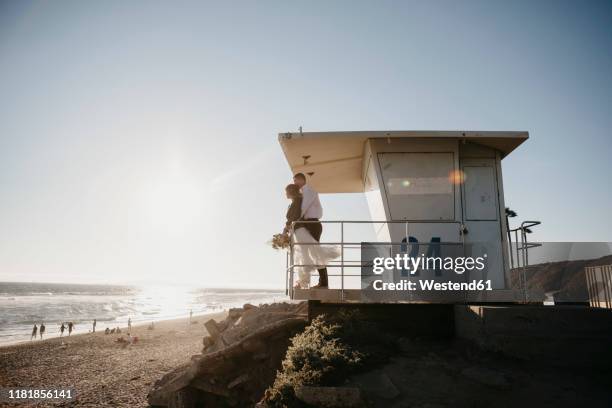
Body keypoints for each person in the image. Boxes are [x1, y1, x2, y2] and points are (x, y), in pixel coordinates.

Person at [284, 183, 339, 289]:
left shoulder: (297, 201)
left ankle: (305, 282)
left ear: (290, 192)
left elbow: (295, 217)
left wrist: (286, 228)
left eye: (286, 191)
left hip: (300, 230)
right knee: (305, 255)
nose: (285, 193)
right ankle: (304, 282)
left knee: (305, 255)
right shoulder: (294, 202)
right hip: (297, 230)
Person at [292, 173, 329, 288]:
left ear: (301, 180)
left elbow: (303, 208)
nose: (294, 183)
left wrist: (294, 221)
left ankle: (323, 283)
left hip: (313, 223)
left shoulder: (308, 190)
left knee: (315, 253)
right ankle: (306, 281)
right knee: (307, 253)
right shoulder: (303, 192)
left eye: (295, 181)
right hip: (308, 224)